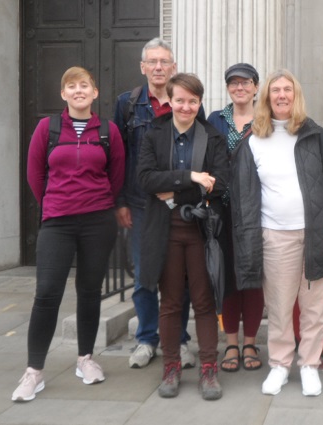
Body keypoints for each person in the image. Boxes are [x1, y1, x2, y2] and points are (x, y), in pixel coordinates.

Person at [230, 69, 323, 397]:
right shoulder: (253, 139)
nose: (282, 95)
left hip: (313, 234)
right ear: (266, 97)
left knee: (313, 306)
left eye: (288, 90)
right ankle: (280, 365)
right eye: (275, 90)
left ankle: (309, 364)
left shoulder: (313, 134)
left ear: (296, 96)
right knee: (279, 306)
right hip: (274, 236)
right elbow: (243, 195)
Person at [14, 66, 125, 401]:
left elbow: (116, 175)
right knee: (47, 293)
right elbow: (36, 174)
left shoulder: (108, 130)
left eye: (85, 86)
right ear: (63, 94)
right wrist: (56, 202)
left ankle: (85, 359)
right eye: (71, 86)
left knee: (90, 291)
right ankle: (34, 371)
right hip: (57, 222)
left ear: (94, 93)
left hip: (97, 221)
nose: (79, 91)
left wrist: (98, 203)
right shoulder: (47, 128)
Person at [137, 73, 229, 400]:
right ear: (170, 101)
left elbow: (220, 182)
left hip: (201, 229)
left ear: (199, 103)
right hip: (165, 229)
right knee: (171, 302)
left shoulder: (212, 138)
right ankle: (171, 366)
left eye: (193, 101)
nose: (186, 106)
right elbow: (146, 179)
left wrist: (173, 186)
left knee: (205, 301)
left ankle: (208, 368)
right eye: (180, 100)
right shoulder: (154, 135)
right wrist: (190, 176)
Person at [114, 38, 202, 369]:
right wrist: (120, 200)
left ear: (174, 66)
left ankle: (178, 340)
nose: (159, 67)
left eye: (164, 61)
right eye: (152, 62)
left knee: (181, 277)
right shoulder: (128, 104)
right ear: (143, 67)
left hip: (180, 203)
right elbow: (120, 158)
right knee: (145, 275)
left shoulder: (187, 100)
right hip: (140, 203)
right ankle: (147, 339)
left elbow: (201, 148)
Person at [206, 63, 265, 373]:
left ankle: (251, 341)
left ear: (256, 87)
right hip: (222, 210)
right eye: (234, 83)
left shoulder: (267, 119)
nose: (239, 88)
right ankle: (230, 342)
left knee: (252, 278)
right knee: (227, 278)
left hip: (257, 211)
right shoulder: (215, 119)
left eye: (246, 83)